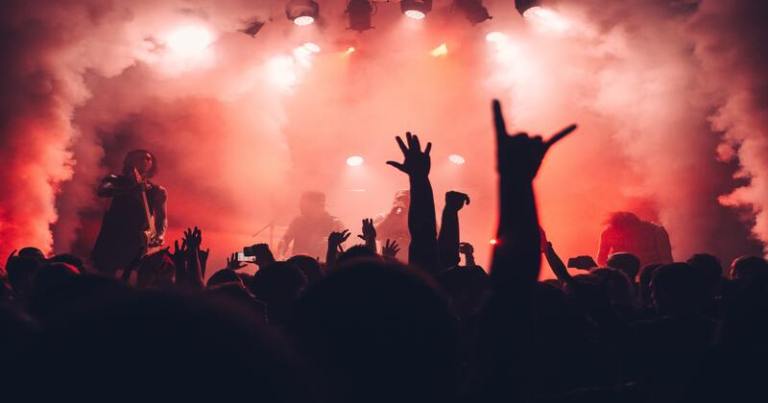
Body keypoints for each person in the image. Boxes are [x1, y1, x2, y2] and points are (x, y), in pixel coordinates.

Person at [91, 150, 167, 274]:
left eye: (149, 159)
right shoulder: (115, 180)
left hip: (138, 239)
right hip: (113, 236)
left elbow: (162, 218)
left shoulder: (157, 191)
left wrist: (159, 235)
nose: (145, 161)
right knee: (104, 274)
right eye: (140, 157)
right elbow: (102, 191)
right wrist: (130, 189)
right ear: (130, 160)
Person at [279, 191, 343, 259]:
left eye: (304, 205)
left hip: (322, 266)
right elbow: (285, 240)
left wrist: (328, 243)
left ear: (317, 206)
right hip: (298, 265)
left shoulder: (334, 223)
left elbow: (342, 246)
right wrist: (281, 255)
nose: (300, 207)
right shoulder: (297, 221)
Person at [597, 212, 673, 267]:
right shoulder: (608, 233)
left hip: (650, 277)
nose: (623, 234)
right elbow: (601, 260)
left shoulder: (657, 232)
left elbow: (667, 261)